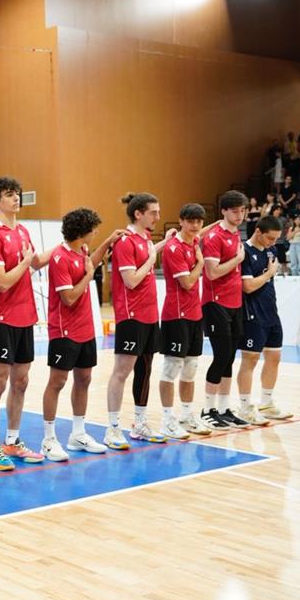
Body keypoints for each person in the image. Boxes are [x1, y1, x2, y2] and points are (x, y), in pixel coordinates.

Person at [0, 176, 48, 469]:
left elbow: (37, 262)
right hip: (0, 318)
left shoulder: (23, 231)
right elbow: (3, 282)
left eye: (16, 193)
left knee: (21, 381)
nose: (16, 198)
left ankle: (12, 441)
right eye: (9, 194)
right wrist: (26, 262)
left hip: (25, 316)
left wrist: (70, 246)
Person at [40, 208, 119, 461]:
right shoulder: (59, 257)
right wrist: (89, 276)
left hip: (85, 329)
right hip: (64, 330)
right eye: (94, 230)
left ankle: (78, 434)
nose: (96, 233)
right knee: (57, 382)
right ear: (83, 231)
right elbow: (69, 297)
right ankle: (48, 439)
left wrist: (108, 242)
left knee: (84, 379)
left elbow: (90, 262)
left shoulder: (82, 251)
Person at [104, 192, 165, 448]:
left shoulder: (145, 239)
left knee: (145, 370)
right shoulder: (125, 242)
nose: (158, 217)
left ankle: (140, 423)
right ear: (138, 214)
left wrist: (163, 244)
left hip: (150, 315)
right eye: (153, 212)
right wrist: (152, 259)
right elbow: (130, 281)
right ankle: (112, 428)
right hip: (131, 316)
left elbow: (147, 255)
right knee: (122, 372)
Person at [157, 204, 211, 439]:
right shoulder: (173, 248)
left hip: (194, 315)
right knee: (171, 369)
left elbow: (204, 231)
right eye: (191, 221)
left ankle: (186, 416)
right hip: (176, 315)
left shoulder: (194, 242)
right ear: (181, 221)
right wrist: (200, 263)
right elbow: (188, 283)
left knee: (191, 369)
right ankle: (167, 420)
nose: (195, 225)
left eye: (199, 221)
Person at [200, 190, 252, 430]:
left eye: (243, 210)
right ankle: (207, 409)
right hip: (216, 302)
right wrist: (237, 260)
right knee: (221, 356)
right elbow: (212, 273)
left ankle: (223, 409)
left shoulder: (236, 234)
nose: (239, 215)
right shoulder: (214, 237)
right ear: (223, 211)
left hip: (235, 302)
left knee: (230, 357)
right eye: (235, 211)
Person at [236, 215, 294, 425]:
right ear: (258, 231)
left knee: (274, 357)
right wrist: (269, 273)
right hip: (252, 314)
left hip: (271, 312)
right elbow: (248, 287)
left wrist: (270, 274)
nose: (273, 243)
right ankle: (245, 408)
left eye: (276, 239)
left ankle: (267, 404)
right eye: (270, 238)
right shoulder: (244, 251)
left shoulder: (272, 251)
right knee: (250, 360)